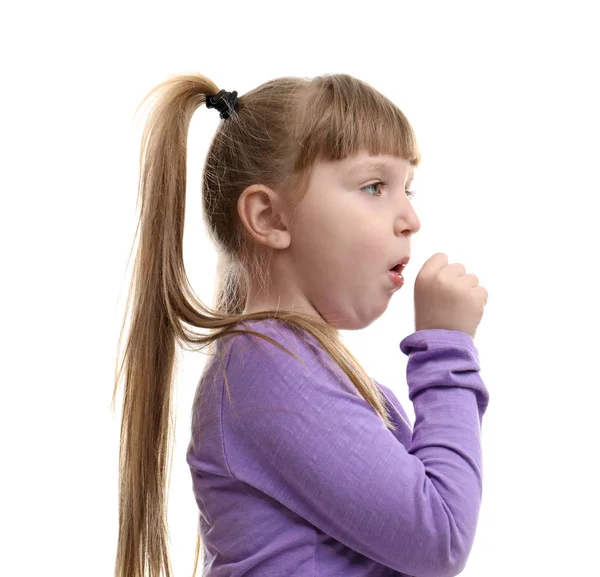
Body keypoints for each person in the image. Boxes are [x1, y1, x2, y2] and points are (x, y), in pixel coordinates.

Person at [111, 72, 490, 577]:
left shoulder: (286, 367)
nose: (409, 219)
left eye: (407, 190)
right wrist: (446, 351)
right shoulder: (266, 370)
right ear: (270, 219)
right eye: (374, 186)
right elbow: (438, 537)